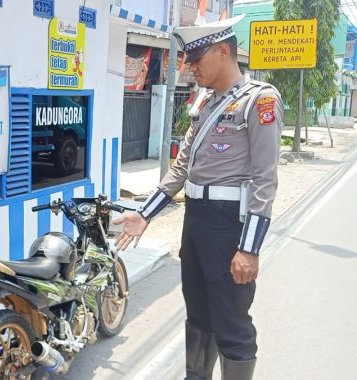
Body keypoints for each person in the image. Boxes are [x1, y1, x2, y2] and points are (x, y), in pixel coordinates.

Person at [113, 15, 283, 380]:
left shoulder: (260, 100)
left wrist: (250, 249)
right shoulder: (204, 105)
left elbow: (264, 179)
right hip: (196, 223)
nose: (190, 69)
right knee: (199, 313)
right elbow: (181, 168)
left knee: (231, 320)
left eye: (196, 59)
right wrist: (144, 214)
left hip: (228, 226)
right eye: (188, 61)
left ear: (223, 52)